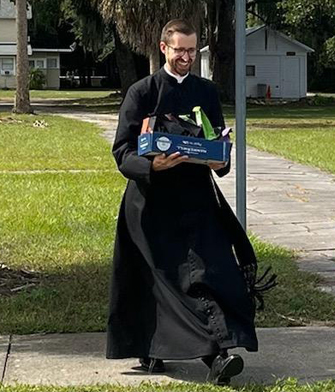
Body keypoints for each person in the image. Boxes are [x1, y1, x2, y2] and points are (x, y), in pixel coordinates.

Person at [106, 19, 258, 385]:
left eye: (191, 50)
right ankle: (160, 349)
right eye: (179, 51)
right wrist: (152, 164)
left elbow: (218, 141)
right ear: (163, 49)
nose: (186, 57)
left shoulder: (206, 91)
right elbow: (122, 152)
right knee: (159, 280)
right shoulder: (141, 93)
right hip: (150, 204)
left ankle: (219, 352)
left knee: (210, 273)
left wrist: (221, 159)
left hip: (196, 201)